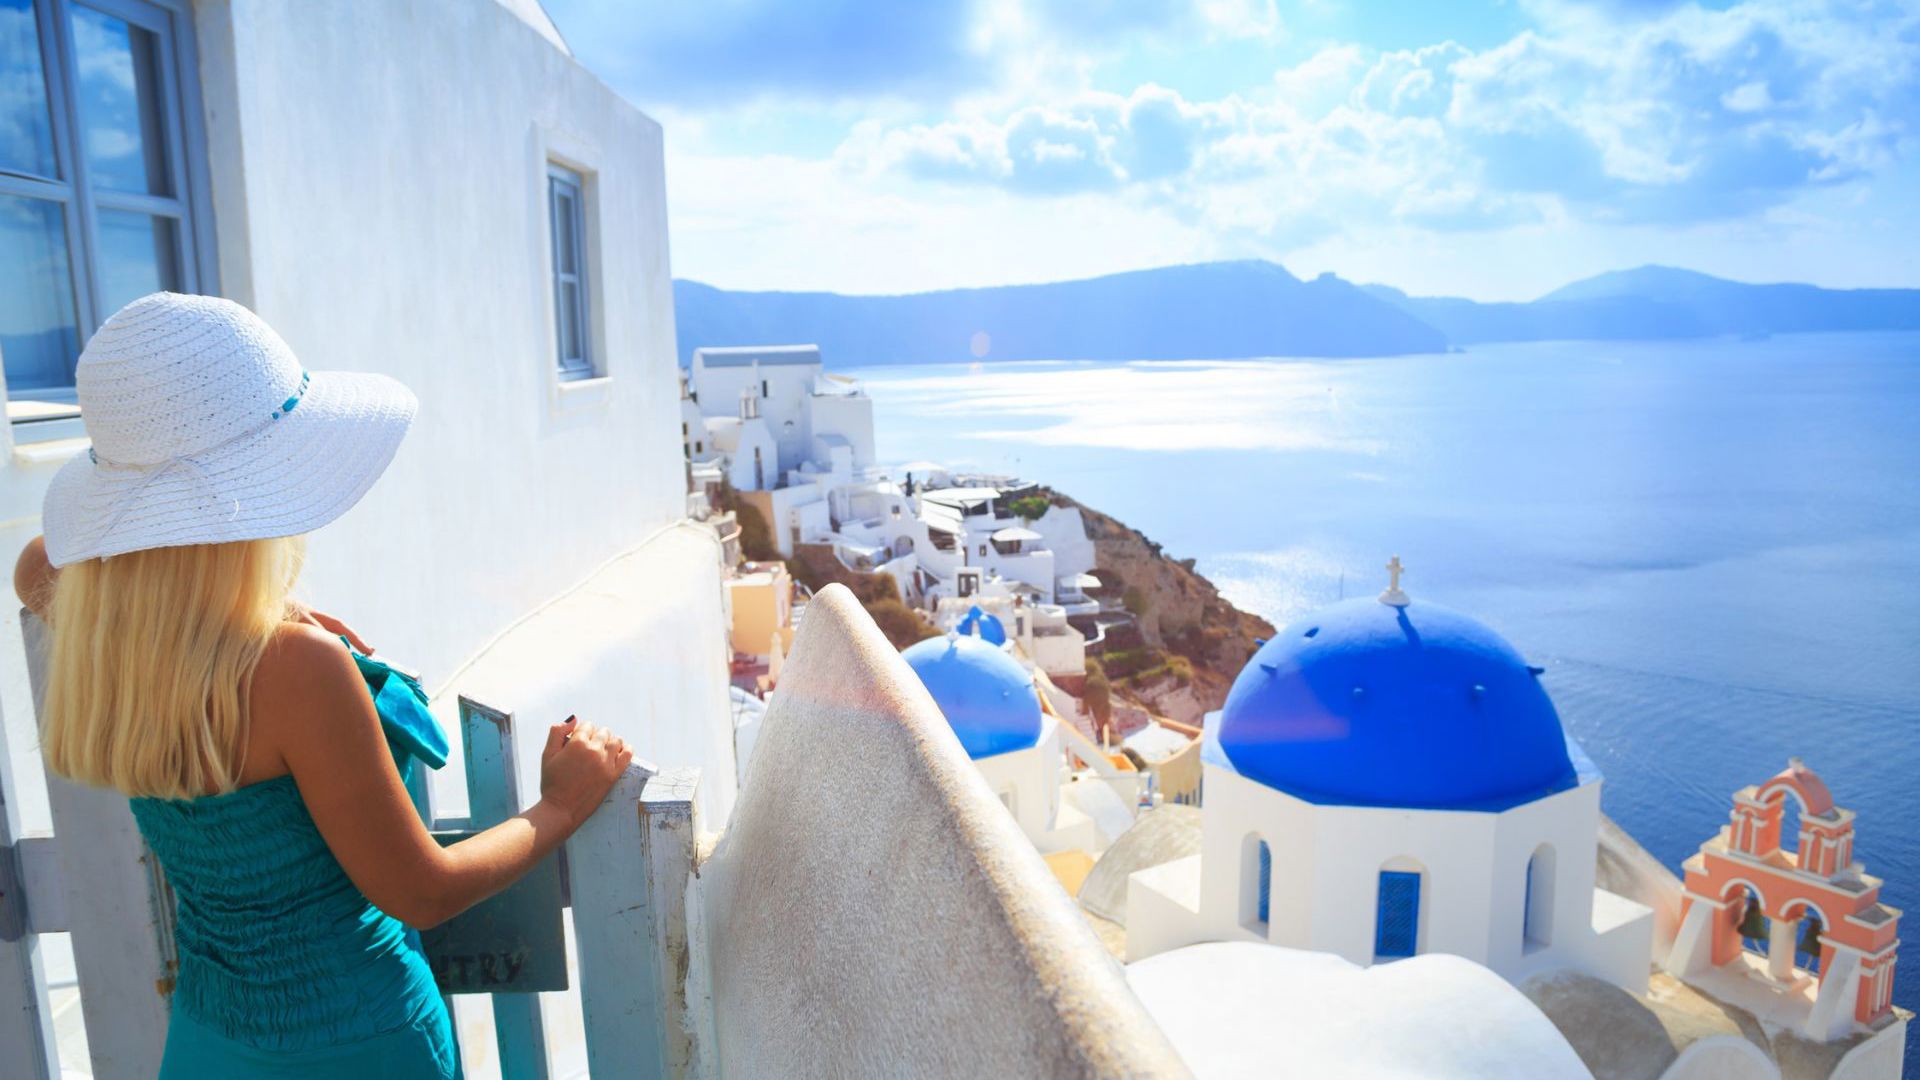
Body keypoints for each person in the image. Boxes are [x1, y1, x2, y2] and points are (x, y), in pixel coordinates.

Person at [14, 293, 632, 1079]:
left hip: (207, 1047)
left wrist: (251, 609)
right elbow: (423, 892)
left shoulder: (122, 645)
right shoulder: (295, 672)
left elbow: (35, 565)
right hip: (362, 1044)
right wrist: (561, 805)